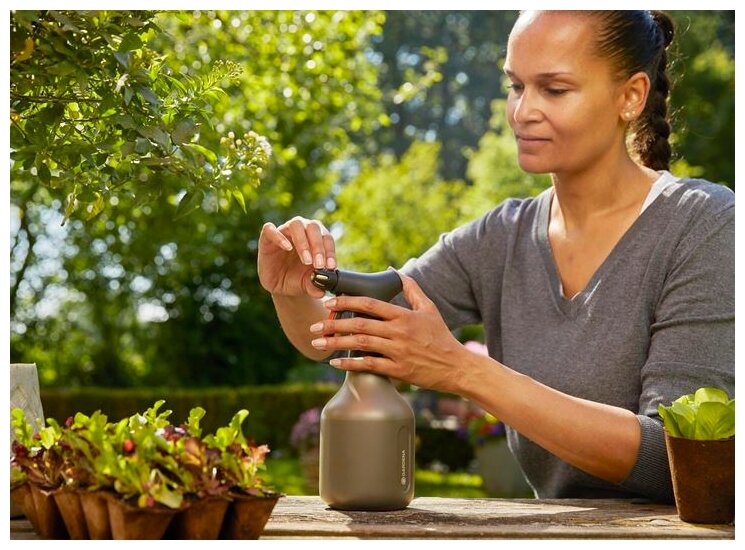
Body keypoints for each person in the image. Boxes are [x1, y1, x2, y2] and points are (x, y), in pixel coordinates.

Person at [257, 10, 734, 502]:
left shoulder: (706, 226)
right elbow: (352, 340)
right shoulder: (500, 237)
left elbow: (677, 457)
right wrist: (292, 291)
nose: (523, 111)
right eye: (516, 86)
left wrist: (463, 371)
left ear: (630, 96)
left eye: (555, 89)